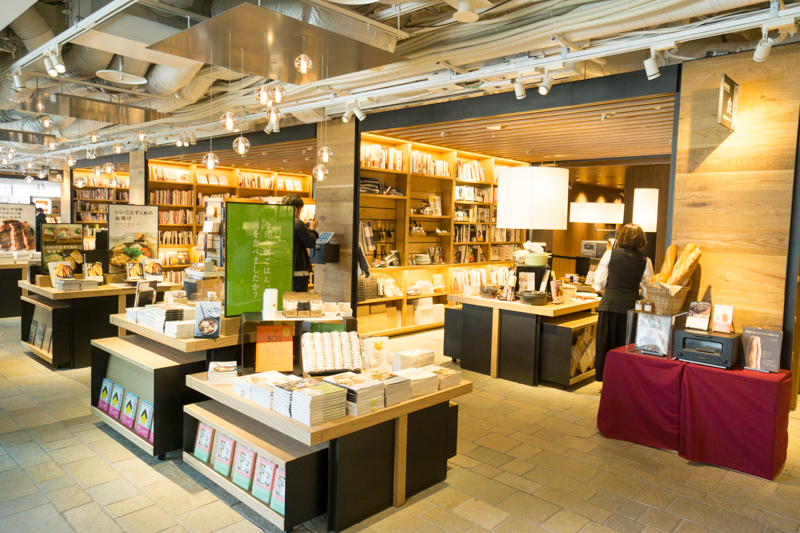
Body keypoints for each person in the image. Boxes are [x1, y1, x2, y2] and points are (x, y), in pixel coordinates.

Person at [592, 223, 654, 384]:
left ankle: (607, 380)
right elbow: (648, 290)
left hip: (609, 305)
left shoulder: (610, 254)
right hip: (631, 309)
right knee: (626, 347)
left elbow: (599, 282)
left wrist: (608, 288)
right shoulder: (645, 261)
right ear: (641, 240)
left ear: (621, 238)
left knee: (607, 346)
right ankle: (623, 383)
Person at [282, 194, 318, 292]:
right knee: (299, 299)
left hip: (285, 270)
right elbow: (310, 242)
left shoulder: (280, 222)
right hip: (299, 271)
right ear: (295, 209)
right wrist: (312, 228)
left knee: (287, 299)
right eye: (301, 210)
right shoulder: (297, 223)